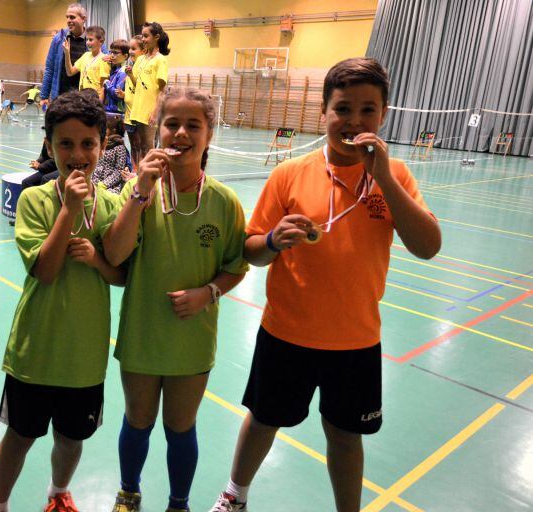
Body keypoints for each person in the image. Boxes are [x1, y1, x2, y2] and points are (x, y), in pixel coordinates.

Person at [207, 57, 441, 512]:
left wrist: (385, 181)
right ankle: (235, 495)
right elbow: (251, 253)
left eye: (367, 110)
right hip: (286, 333)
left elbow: (428, 246)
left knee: (346, 435)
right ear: (323, 112)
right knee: (262, 420)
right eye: (343, 109)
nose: (354, 121)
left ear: (383, 114)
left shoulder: (397, 179)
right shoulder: (289, 175)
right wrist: (273, 241)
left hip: (356, 340)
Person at [103, 87, 249, 512]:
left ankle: (178, 503)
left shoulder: (224, 201)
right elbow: (114, 254)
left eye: (193, 125)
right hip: (143, 334)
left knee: (181, 427)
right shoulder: (138, 189)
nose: (181, 133)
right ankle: (129, 492)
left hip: (192, 340)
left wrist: (208, 292)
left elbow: (237, 265)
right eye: (172, 124)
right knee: (138, 421)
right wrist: (141, 189)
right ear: (157, 131)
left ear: (209, 135)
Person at [0, 90, 125, 512]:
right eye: (65, 144)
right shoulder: (35, 200)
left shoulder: (113, 205)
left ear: (103, 146)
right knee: (20, 437)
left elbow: (122, 275)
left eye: (88, 144)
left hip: (84, 357)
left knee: (70, 439)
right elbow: (44, 271)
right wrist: (69, 210)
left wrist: (99, 261)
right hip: (36, 354)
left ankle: (58, 494)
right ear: (49, 146)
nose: (78, 154)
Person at [128, 22, 170, 166]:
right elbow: (136, 84)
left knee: (149, 147)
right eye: (142, 36)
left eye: (146, 36)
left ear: (156, 37)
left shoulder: (160, 60)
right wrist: (130, 75)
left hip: (150, 109)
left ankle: (153, 180)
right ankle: (142, 177)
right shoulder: (140, 59)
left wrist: (155, 111)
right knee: (141, 146)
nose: (143, 39)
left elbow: (163, 90)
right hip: (138, 108)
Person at [39, 3, 89, 108]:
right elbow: (50, 68)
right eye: (67, 17)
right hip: (60, 97)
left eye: (72, 17)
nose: (68, 20)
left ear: (83, 19)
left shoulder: (92, 40)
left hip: (83, 99)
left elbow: (104, 61)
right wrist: (44, 96)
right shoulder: (58, 39)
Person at [63, 26, 109, 101]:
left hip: (95, 100)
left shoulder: (104, 59)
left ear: (101, 41)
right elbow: (70, 72)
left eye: (91, 40)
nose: (87, 42)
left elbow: (103, 87)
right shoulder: (85, 56)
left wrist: (99, 106)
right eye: (87, 39)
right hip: (82, 98)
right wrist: (67, 53)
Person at [92, 115, 133, 194]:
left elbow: (119, 171)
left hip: (111, 184)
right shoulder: (100, 143)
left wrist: (104, 184)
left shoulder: (120, 147)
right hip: (95, 179)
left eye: (105, 128)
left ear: (113, 131)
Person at [122, 35, 146, 171]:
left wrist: (131, 75)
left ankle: (139, 171)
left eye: (133, 48)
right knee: (133, 146)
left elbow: (141, 88)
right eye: (129, 48)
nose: (130, 51)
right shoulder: (131, 65)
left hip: (138, 115)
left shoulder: (141, 67)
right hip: (128, 114)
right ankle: (134, 169)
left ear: (143, 50)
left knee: (140, 146)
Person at [103, 39, 130, 115]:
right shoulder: (113, 69)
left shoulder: (124, 71)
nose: (111, 55)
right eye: (110, 52)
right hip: (109, 111)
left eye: (115, 53)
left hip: (117, 114)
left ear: (125, 56)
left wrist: (106, 83)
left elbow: (118, 94)